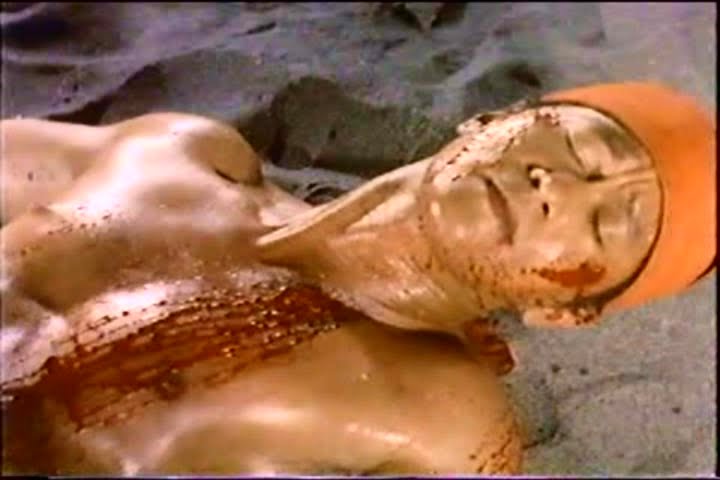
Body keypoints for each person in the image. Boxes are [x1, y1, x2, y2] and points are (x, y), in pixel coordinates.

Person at [0, 82, 714, 474]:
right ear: (489, 120)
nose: (554, 187)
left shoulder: (444, 429)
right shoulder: (180, 156)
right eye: (576, 149)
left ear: (562, 311)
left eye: (606, 225)